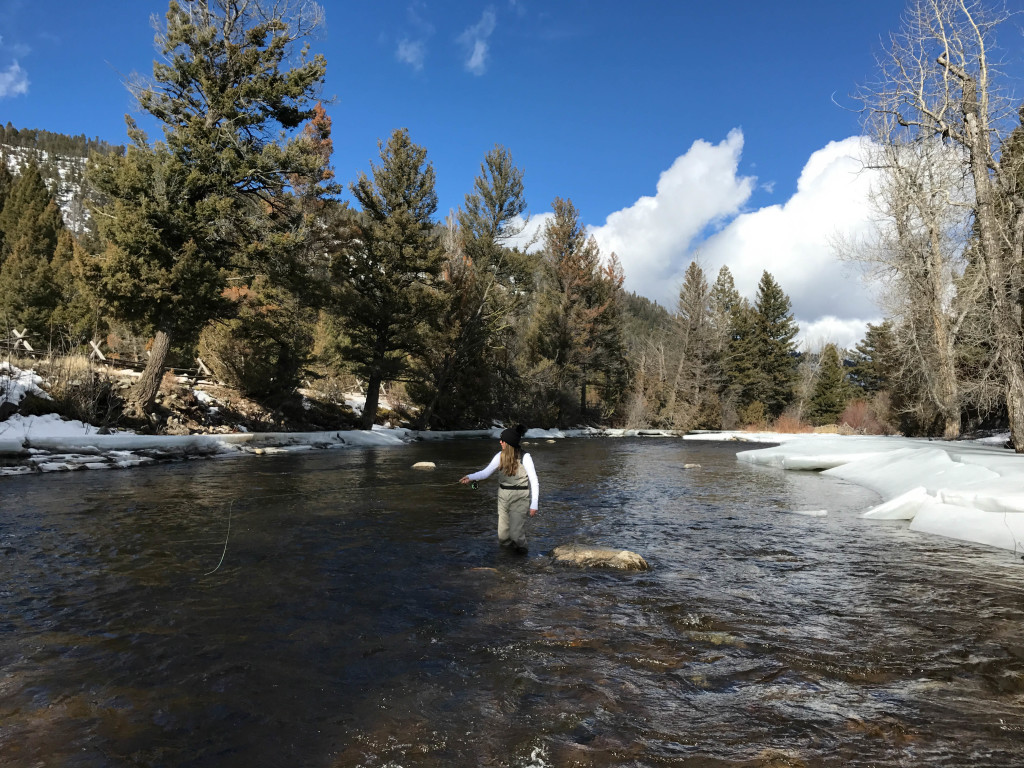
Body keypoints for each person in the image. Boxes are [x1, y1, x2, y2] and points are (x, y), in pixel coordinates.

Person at [460, 425, 539, 553]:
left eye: (502, 440)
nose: (500, 442)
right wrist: (470, 477)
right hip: (503, 497)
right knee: (503, 536)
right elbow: (485, 473)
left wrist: (534, 504)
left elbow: (534, 481)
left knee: (516, 535)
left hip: (520, 497)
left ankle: (523, 558)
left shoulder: (526, 457)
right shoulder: (499, 456)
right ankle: (506, 561)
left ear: (509, 442)